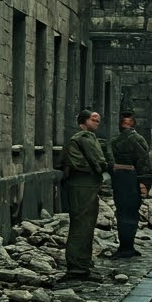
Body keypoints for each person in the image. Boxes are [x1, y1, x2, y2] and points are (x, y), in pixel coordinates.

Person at [60, 109, 107, 283]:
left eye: (98, 120)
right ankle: (77, 269)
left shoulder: (80, 137)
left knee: (84, 224)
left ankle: (82, 266)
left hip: (82, 184)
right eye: (93, 119)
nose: (97, 122)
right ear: (83, 121)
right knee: (82, 225)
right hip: (83, 184)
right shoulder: (84, 138)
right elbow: (99, 161)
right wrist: (104, 168)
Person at [107, 110, 152, 259]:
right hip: (133, 179)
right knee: (132, 213)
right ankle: (127, 247)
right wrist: (145, 183)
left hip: (119, 179)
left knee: (122, 212)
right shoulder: (138, 139)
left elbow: (109, 162)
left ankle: (125, 246)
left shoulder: (115, 141)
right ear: (133, 125)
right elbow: (143, 163)